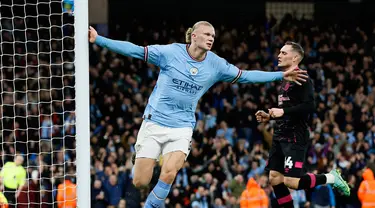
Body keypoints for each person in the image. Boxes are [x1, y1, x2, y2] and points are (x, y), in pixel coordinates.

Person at [88, 21, 308, 208]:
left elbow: (246, 76)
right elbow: (134, 50)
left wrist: (280, 75)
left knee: (169, 172)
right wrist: (99, 39)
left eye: (213, 35)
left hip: (182, 127)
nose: (211, 38)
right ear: (194, 36)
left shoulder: (216, 64)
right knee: (140, 181)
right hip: (154, 123)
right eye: (206, 34)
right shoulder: (170, 53)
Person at [255, 41, 350, 208]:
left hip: (295, 135)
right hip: (280, 133)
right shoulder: (285, 79)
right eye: (279, 52)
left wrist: (282, 112)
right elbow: (288, 108)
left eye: (284, 53)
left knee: (292, 182)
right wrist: (270, 116)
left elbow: (309, 106)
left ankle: (332, 178)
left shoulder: (302, 77)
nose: (279, 55)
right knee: (274, 178)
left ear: (295, 57)